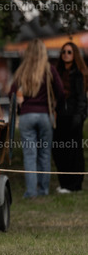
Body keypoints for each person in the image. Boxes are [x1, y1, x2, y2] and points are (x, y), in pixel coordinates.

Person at [9, 39, 64, 199]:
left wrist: (21, 105)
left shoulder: (22, 70)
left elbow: (11, 93)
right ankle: (43, 190)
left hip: (27, 116)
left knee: (30, 155)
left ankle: (31, 191)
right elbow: (60, 91)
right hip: (45, 115)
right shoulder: (49, 69)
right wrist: (56, 106)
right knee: (44, 154)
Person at [52, 41, 88, 193]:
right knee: (58, 149)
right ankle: (65, 183)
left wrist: (79, 116)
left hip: (74, 116)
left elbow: (81, 98)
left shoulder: (79, 73)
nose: (66, 55)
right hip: (60, 115)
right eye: (63, 52)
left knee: (74, 151)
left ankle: (74, 185)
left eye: (69, 52)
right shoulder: (57, 72)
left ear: (74, 55)